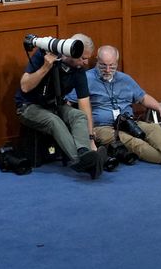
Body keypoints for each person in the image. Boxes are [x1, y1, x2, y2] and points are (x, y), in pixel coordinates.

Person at [86, 44, 161, 168]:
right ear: (97, 61)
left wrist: (160, 108)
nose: (108, 70)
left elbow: (143, 97)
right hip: (102, 127)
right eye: (103, 65)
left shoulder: (125, 79)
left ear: (117, 63)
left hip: (127, 121)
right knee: (133, 142)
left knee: (153, 129)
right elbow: (71, 102)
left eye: (112, 66)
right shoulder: (87, 78)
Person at [18, 33, 104, 176]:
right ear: (72, 53)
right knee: (54, 121)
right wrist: (46, 67)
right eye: (83, 58)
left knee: (79, 116)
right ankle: (79, 161)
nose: (86, 62)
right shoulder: (44, 55)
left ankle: (85, 152)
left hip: (55, 105)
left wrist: (91, 140)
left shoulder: (78, 70)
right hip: (28, 106)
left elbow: (84, 104)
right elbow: (25, 87)